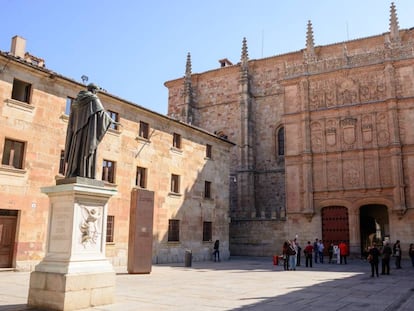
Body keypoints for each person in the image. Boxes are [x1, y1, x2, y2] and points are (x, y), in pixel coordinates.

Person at [64, 83, 117, 179]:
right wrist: (112, 121)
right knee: (87, 149)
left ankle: (74, 171)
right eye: (96, 91)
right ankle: (85, 173)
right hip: (89, 132)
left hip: (76, 134)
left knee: (77, 150)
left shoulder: (76, 102)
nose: (96, 93)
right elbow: (101, 113)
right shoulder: (93, 99)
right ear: (94, 90)